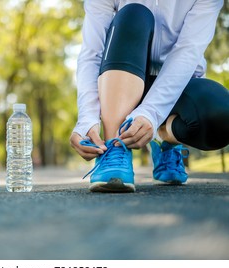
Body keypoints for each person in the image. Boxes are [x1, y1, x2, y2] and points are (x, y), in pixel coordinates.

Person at [70, 0, 229, 193]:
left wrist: (151, 114)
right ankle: (115, 147)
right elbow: (92, 53)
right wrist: (87, 118)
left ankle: (164, 139)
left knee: (220, 116)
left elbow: (187, 51)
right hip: (122, 80)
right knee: (134, 15)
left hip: (178, 84)